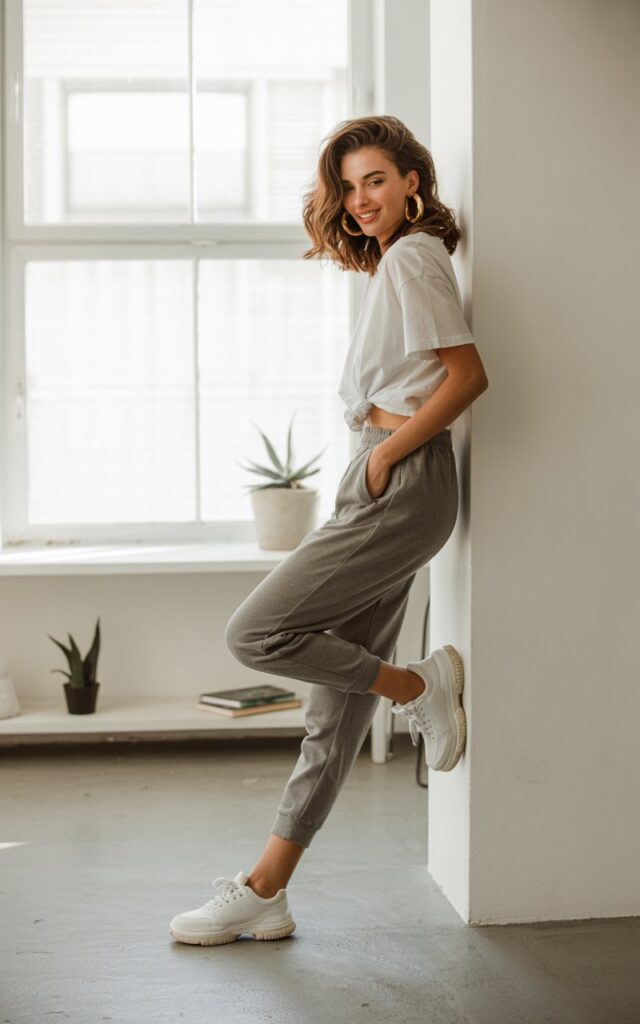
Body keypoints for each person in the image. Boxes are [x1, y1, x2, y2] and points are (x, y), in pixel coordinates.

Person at [169, 115, 489, 946]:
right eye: (349, 187)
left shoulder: (414, 256)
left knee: (258, 631)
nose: (361, 199)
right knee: (335, 711)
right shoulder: (397, 264)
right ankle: (266, 889)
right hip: (384, 471)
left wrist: (387, 460)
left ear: (413, 180)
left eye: (376, 179)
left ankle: (419, 688)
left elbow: (467, 377)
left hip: (399, 476)